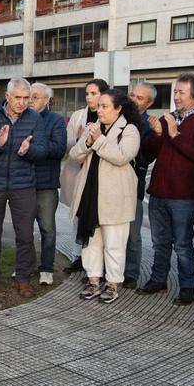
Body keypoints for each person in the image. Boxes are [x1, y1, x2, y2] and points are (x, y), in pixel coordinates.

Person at [137, 73, 194, 305]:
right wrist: (159, 134)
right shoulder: (168, 118)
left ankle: (187, 286)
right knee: (159, 241)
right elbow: (149, 153)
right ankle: (158, 279)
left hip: (185, 195)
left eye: (181, 92)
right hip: (159, 191)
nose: (176, 96)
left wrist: (174, 134)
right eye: (175, 91)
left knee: (182, 243)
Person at [0, 78, 46, 297]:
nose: (22, 102)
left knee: (25, 235)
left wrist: (28, 151)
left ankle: (23, 278)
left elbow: (42, 151)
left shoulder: (35, 119)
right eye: (18, 97)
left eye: (27, 98)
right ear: (7, 97)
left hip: (23, 186)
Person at [68, 89, 141, 304]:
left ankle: (112, 284)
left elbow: (121, 156)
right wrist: (88, 142)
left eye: (104, 106)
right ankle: (93, 281)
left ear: (118, 108)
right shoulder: (94, 128)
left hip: (115, 198)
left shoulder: (129, 130)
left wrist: (98, 141)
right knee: (91, 242)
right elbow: (74, 154)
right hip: (90, 195)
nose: (99, 110)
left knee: (114, 243)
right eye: (98, 106)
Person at [60, 78, 109, 274]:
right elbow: (68, 143)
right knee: (77, 217)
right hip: (78, 171)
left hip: (98, 174)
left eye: (94, 93)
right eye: (87, 93)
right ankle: (78, 256)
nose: (89, 97)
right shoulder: (79, 116)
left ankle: (98, 263)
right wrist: (80, 139)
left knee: (98, 219)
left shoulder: (108, 115)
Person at [29, 82, 67, 286]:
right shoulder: (21, 118)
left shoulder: (55, 120)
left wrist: (34, 146)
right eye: (29, 96)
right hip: (23, 183)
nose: (30, 100)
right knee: (23, 229)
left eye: (35, 96)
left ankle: (46, 267)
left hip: (46, 184)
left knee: (47, 229)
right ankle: (25, 266)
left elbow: (58, 149)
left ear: (47, 100)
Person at [121, 82, 156, 289]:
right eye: (132, 95)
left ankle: (131, 273)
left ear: (149, 103)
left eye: (139, 98)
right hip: (111, 184)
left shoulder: (149, 125)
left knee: (133, 233)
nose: (133, 100)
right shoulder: (117, 117)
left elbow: (144, 158)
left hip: (133, 184)